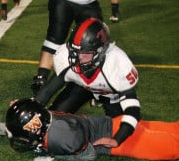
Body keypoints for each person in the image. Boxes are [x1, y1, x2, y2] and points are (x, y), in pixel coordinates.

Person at [34, 18, 141, 148]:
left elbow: (133, 109)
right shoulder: (67, 56)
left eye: (85, 54)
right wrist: (31, 107)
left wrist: (117, 139)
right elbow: (48, 89)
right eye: (75, 51)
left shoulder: (117, 63)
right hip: (81, 87)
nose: (78, 58)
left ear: (101, 51)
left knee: (125, 133)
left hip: (110, 95)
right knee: (54, 118)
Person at [5, 98, 179, 161]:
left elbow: (89, 154)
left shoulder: (59, 137)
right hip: (117, 123)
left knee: (174, 147)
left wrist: (51, 152)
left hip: (122, 141)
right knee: (174, 129)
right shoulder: (49, 118)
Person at [31, 0, 103, 96]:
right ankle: (41, 77)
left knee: (95, 42)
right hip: (63, 1)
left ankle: (93, 82)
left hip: (89, 3)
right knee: (54, 39)